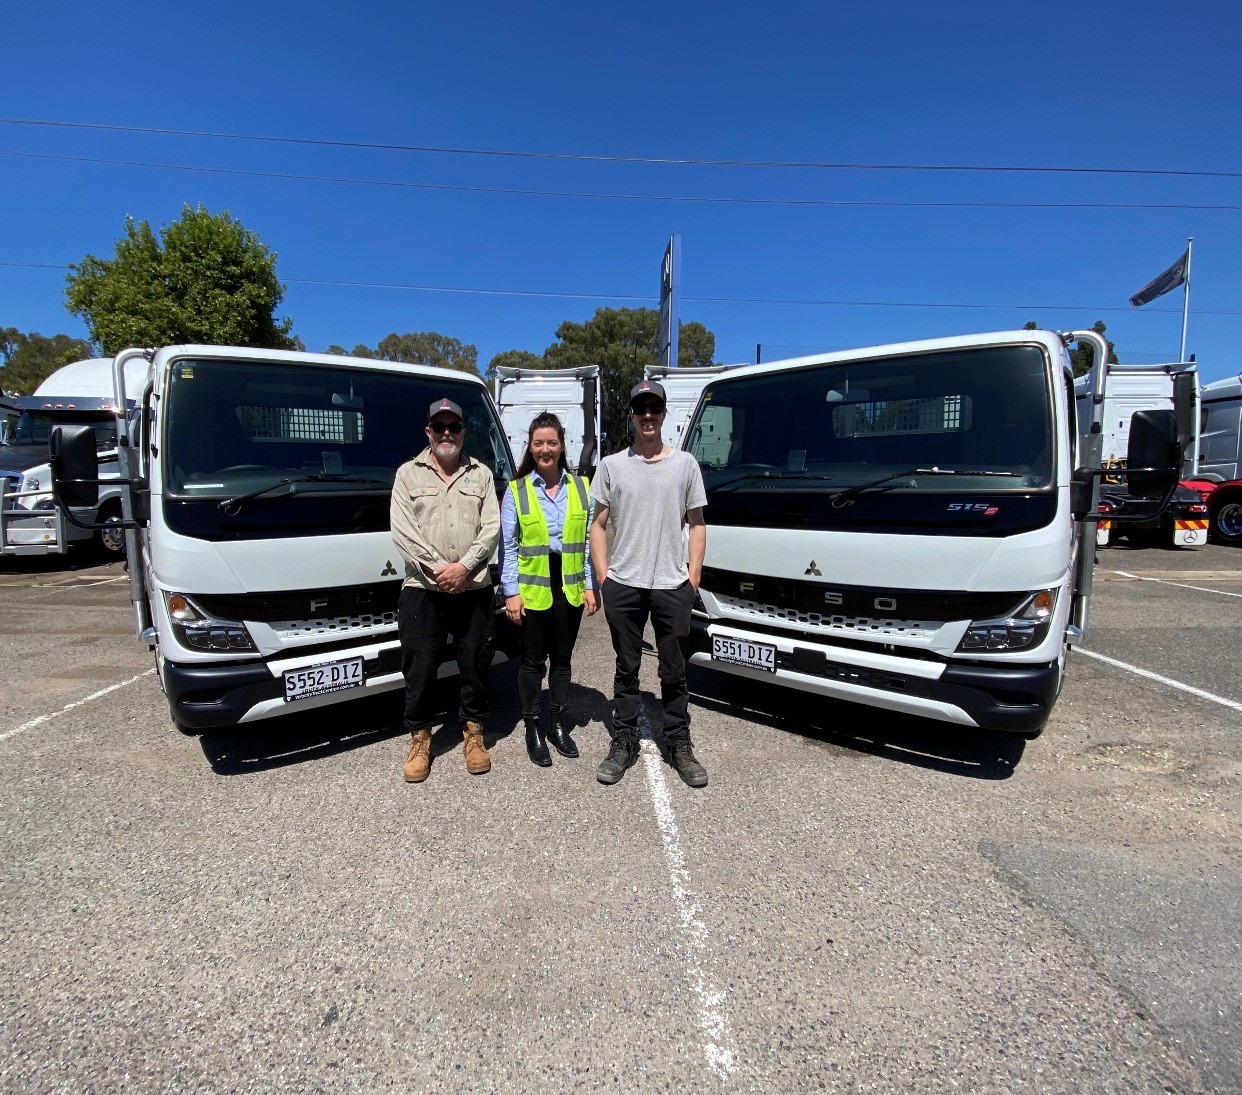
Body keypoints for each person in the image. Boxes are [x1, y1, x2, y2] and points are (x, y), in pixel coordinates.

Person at [589, 379, 709, 788]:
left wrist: (693, 577)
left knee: (674, 671)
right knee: (627, 668)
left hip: (672, 585)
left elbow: (697, 524)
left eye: (653, 408)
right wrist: (604, 578)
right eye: (640, 409)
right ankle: (624, 739)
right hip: (624, 583)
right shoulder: (612, 465)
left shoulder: (685, 465)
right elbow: (598, 525)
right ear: (631, 415)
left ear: (663, 413)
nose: (647, 416)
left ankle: (677, 741)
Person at [390, 397, 500, 783]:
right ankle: (420, 738)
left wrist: (465, 567)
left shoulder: (481, 474)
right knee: (419, 666)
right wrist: (441, 572)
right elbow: (403, 532)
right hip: (423, 588)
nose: (447, 433)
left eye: (454, 427)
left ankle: (473, 734)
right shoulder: (407, 475)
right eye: (440, 427)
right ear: (429, 432)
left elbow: (491, 528)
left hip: (474, 587)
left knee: (475, 662)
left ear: (463, 432)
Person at [500, 412, 599, 766]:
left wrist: (591, 586)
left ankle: (557, 723)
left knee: (562, 659)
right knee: (531, 661)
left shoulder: (581, 487)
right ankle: (532, 726)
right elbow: (509, 546)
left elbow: (586, 544)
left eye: (552, 443)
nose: (545, 449)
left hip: (569, 586)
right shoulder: (517, 490)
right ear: (530, 446)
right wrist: (510, 591)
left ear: (562, 446)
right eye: (538, 443)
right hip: (532, 589)